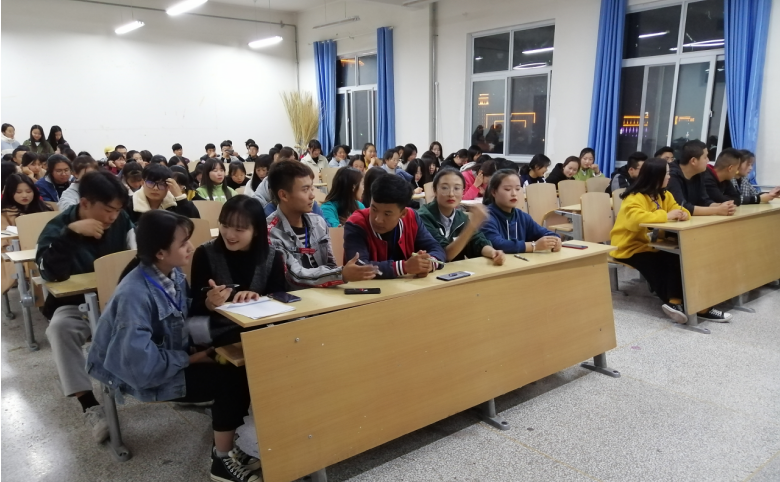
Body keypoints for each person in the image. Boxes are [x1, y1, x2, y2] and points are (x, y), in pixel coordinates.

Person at [85, 210, 262, 482]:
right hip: (142, 374)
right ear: (160, 253)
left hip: (169, 356)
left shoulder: (173, 274)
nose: (191, 247)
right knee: (229, 381)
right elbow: (140, 365)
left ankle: (227, 445)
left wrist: (209, 308)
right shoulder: (134, 294)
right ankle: (221, 460)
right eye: (183, 243)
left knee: (240, 365)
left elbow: (182, 321)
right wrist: (191, 359)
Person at [36, 171, 136, 443]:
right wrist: (70, 235)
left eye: (117, 210)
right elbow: (49, 273)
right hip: (76, 304)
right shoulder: (57, 227)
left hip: (120, 301)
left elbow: (137, 255)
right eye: (108, 210)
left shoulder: (122, 222)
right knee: (59, 329)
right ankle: (89, 404)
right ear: (85, 203)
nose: (113, 217)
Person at [610, 158, 731, 323]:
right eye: (666, 174)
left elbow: (680, 209)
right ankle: (684, 305)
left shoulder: (664, 194)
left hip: (650, 244)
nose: (669, 177)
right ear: (655, 176)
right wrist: (667, 215)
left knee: (676, 257)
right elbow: (635, 220)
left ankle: (683, 303)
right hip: (628, 247)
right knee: (656, 265)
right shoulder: (634, 197)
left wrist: (683, 214)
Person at [190, 196, 287, 347]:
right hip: (221, 331)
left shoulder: (273, 256)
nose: (229, 235)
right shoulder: (205, 253)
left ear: (256, 230)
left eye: (239, 229)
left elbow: (278, 297)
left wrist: (258, 298)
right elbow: (194, 305)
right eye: (224, 225)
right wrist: (209, 302)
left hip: (261, 327)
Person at [266, 161, 376, 287]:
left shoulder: (318, 222)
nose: (312, 195)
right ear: (284, 195)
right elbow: (294, 276)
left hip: (323, 292)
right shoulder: (270, 231)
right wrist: (341, 274)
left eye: (311, 188)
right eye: (305, 190)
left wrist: (339, 275)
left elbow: (331, 265)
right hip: (293, 296)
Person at [344, 174, 445, 279]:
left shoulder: (411, 218)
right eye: (374, 209)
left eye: (387, 214)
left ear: (403, 213)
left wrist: (428, 264)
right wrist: (404, 267)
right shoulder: (356, 223)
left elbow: (436, 248)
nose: (378, 219)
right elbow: (358, 266)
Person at [418, 168, 505, 265]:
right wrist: (472, 226)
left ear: (463, 192)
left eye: (457, 188)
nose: (451, 194)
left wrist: (493, 253)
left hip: (457, 271)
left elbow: (478, 241)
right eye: (445, 188)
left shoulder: (461, 217)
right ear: (435, 190)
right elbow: (444, 255)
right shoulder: (422, 217)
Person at [480, 170, 561, 254]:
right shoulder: (486, 217)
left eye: (518, 189)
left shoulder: (523, 217)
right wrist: (534, 246)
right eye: (508, 189)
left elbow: (545, 233)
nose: (514, 193)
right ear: (494, 192)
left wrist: (556, 239)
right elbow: (497, 244)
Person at [666, 140, 735, 216]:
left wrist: (722, 206)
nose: (708, 160)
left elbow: (704, 200)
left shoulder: (699, 173)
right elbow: (681, 207)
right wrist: (717, 210)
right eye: (705, 157)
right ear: (693, 161)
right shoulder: (671, 175)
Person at [125, 164, 199, 223]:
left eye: (161, 184)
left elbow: (194, 224)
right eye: (150, 183)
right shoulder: (129, 204)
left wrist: (180, 198)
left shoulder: (175, 204)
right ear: (142, 182)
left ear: (168, 186)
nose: (155, 188)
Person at [703, 149, 779, 205]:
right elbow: (720, 200)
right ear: (731, 168)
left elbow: (737, 199)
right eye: (748, 164)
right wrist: (758, 199)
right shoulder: (706, 178)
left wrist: (769, 194)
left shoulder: (727, 179)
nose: (750, 168)